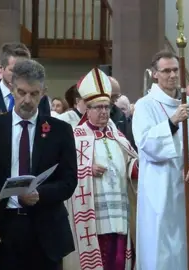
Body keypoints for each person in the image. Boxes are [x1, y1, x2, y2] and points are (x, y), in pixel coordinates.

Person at [0, 59, 77, 270]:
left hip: (45, 228)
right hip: (2, 226)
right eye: (22, 92)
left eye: (34, 94)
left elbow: (69, 181)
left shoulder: (60, 130)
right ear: (12, 89)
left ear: (44, 92)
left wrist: (41, 194)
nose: (27, 100)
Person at [132, 50, 189, 270]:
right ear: (155, 74)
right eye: (166, 71)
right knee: (162, 247)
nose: (172, 75)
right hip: (161, 187)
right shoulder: (145, 106)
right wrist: (173, 121)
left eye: (176, 70)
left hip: (186, 182)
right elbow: (146, 145)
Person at [66, 68, 138, 270]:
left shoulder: (118, 135)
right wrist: (86, 169)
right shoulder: (76, 136)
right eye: (98, 107)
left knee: (118, 258)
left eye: (106, 107)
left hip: (119, 212)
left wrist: (136, 167)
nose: (104, 112)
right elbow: (66, 170)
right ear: (86, 109)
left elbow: (130, 163)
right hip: (93, 214)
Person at [0, 42, 50, 116]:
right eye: (13, 70)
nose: (19, 75)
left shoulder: (41, 99)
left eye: (24, 70)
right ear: (1, 68)